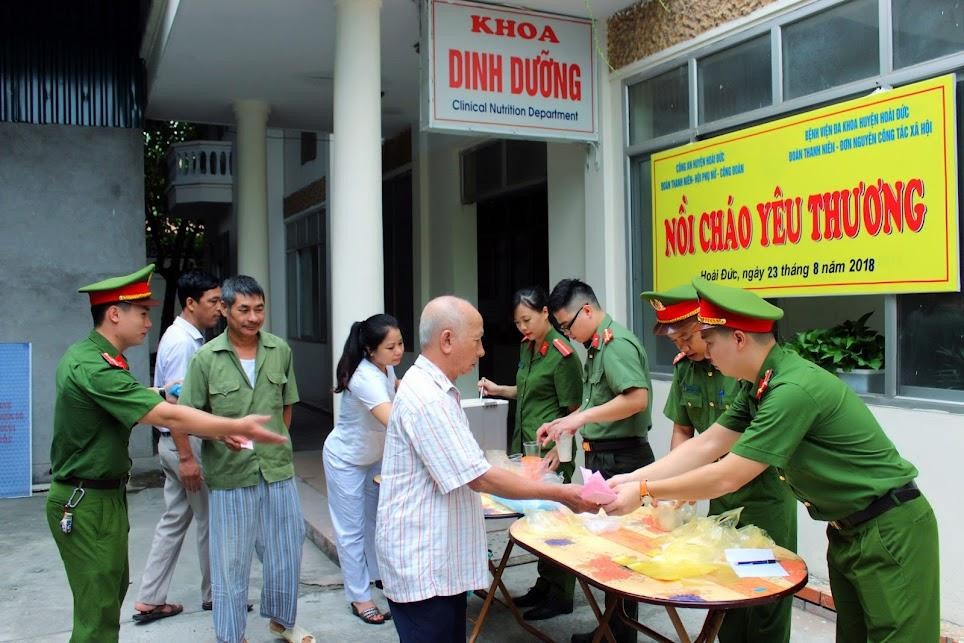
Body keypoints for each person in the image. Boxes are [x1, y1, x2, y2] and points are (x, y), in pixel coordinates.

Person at [605, 277, 940, 643]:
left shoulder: (790, 389)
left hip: (889, 529)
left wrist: (643, 490)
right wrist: (627, 480)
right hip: (847, 531)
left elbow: (727, 476)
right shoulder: (759, 385)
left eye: (710, 341)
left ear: (738, 339)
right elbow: (706, 445)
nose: (706, 351)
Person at [46, 264, 285, 643]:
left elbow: (144, 398)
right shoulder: (93, 366)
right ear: (114, 314)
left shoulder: (100, 358)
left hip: (101, 495)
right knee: (96, 615)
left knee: (108, 599)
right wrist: (234, 426)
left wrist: (163, 391)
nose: (147, 321)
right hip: (85, 499)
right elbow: (164, 415)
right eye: (141, 313)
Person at [376, 296, 598, 643]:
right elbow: (478, 476)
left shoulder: (435, 389)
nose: (482, 352)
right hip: (423, 567)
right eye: (477, 340)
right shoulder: (428, 398)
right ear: (447, 340)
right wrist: (561, 493)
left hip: (436, 564)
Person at [640, 284, 797, 643]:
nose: (682, 347)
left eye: (688, 337)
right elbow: (689, 435)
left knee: (765, 595)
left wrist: (650, 487)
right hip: (720, 499)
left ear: (707, 325)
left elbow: (729, 457)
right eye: (673, 340)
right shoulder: (687, 370)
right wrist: (677, 486)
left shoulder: (747, 368)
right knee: (724, 592)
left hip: (764, 497)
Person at [179, 275, 313, 643]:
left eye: (259, 309)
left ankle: (282, 621)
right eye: (244, 310)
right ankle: (230, 635)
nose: (254, 318)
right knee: (231, 563)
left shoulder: (279, 350)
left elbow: (286, 408)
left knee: (287, 549)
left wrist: (277, 446)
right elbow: (186, 416)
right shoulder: (205, 359)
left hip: (276, 469)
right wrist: (194, 451)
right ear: (223, 309)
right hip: (230, 473)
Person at [536, 278, 654, 643]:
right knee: (606, 554)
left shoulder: (615, 344)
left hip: (623, 459)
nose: (568, 335)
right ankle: (611, 632)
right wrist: (564, 425)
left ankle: (618, 637)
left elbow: (636, 399)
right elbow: (596, 403)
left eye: (568, 326)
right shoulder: (595, 346)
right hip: (604, 458)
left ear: (587, 310)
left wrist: (580, 419)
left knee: (621, 558)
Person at [477, 286, 582, 621]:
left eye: (527, 319)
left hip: (552, 452)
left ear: (545, 313)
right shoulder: (528, 348)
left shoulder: (563, 354)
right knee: (534, 520)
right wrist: (499, 389)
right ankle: (545, 583)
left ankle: (562, 592)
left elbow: (574, 410)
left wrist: (559, 451)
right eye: (518, 322)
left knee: (555, 520)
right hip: (526, 449)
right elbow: (527, 389)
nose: (522, 327)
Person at [133, 269, 223, 623]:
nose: (220, 308)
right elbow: (179, 406)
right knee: (210, 519)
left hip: (173, 444)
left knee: (174, 520)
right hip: (185, 445)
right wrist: (187, 457)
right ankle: (216, 595)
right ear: (191, 303)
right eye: (213, 301)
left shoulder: (181, 336)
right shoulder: (185, 343)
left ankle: (151, 597)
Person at [323, 314, 404, 625]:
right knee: (351, 530)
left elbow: (395, 385)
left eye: (400, 344)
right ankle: (359, 596)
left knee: (378, 522)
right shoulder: (363, 377)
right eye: (391, 346)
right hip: (346, 460)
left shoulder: (384, 367)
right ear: (371, 350)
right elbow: (394, 419)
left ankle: (379, 576)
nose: (398, 351)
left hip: (374, 456)